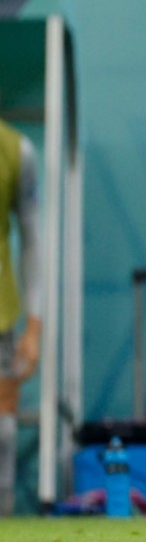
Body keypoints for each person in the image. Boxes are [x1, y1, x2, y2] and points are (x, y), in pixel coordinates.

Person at [0, 115, 40, 514]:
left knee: (3, 430)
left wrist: (36, 323)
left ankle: (4, 531)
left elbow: (31, 236)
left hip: (1, 312)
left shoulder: (16, 150)